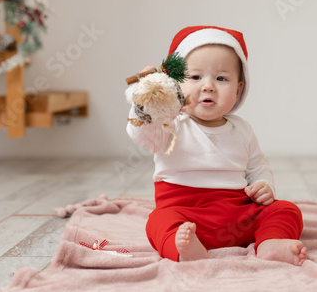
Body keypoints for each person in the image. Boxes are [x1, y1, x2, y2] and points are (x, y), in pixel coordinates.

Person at [126, 26, 306, 265]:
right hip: (186, 216)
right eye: (195, 77)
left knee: (286, 210)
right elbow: (141, 133)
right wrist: (146, 99)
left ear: (239, 89)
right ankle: (186, 250)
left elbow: (256, 167)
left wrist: (264, 185)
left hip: (238, 215)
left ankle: (270, 243)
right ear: (174, 84)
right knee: (158, 221)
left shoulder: (241, 129)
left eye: (221, 78)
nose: (208, 86)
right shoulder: (171, 125)